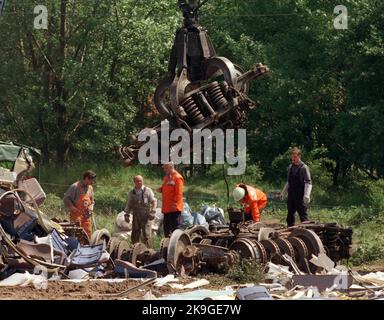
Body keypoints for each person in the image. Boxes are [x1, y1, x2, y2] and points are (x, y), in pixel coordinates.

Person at [280, 147, 312, 227]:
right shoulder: (290, 167)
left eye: (295, 157)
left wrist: (307, 195)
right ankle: (290, 231)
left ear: (299, 156)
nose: (293, 159)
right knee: (290, 215)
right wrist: (283, 193)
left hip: (300, 195)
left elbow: (308, 182)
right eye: (292, 157)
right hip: (291, 195)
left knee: (303, 216)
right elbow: (288, 182)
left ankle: (307, 232)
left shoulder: (304, 168)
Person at [124, 175, 157, 248]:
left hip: (146, 215)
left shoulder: (147, 190)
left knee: (146, 234)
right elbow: (129, 204)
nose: (139, 182)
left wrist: (153, 210)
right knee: (135, 233)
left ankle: (148, 251)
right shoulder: (131, 192)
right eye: (137, 181)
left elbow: (154, 201)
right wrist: (127, 214)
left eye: (141, 181)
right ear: (134, 182)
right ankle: (135, 249)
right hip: (136, 215)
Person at [64, 170, 96, 239]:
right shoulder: (75, 187)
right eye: (91, 180)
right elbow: (66, 198)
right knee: (77, 235)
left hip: (87, 217)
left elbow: (92, 201)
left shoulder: (90, 188)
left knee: (88, 235)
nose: (93, 182)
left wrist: (91, 206)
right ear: (86, 178)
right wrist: (72, 207)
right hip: (76, 216)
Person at [157, 162, 184, 237]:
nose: (164, 170)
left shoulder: (178, 178)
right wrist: (161, 189)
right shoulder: (166, 178)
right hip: (166, 208)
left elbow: (179, 193)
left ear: (171, 167)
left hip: (174, 209)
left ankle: (176, 246)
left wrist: (174, 204)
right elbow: (167, 188)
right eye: (164, 168)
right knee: (167, 230)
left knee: (175, 230)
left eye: (166, 168)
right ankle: (167, 246)